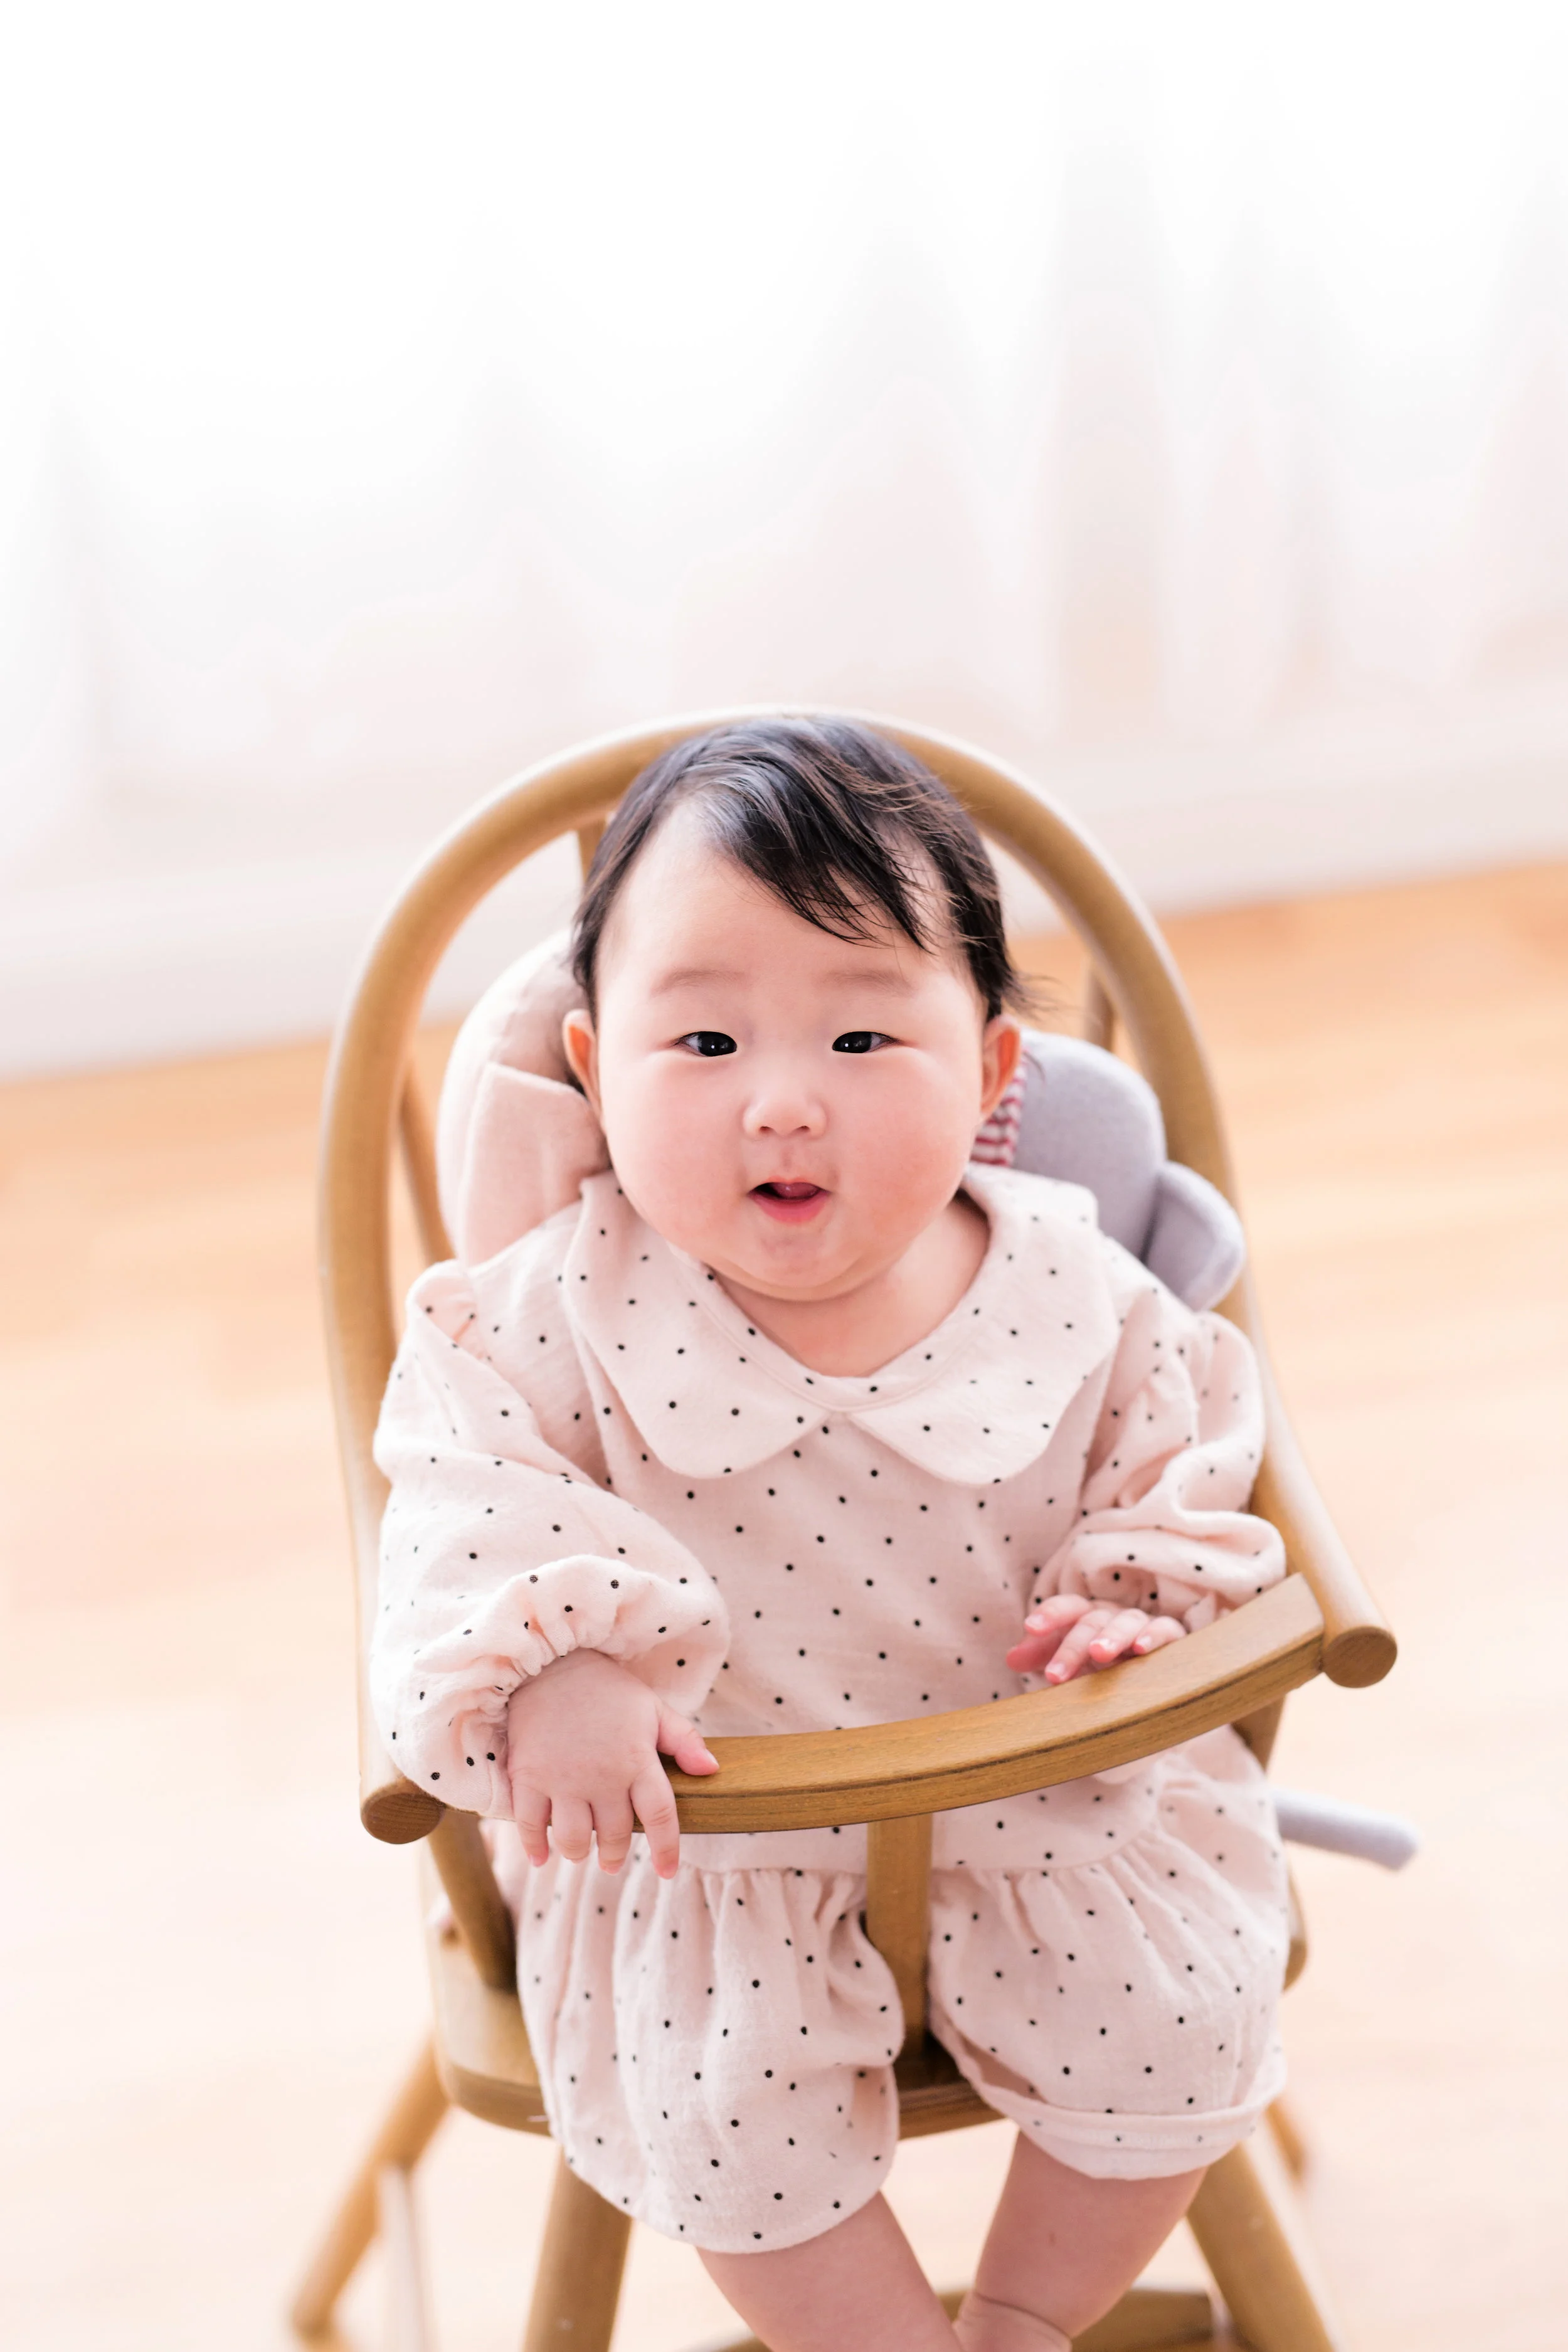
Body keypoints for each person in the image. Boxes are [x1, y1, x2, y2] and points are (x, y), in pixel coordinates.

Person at [371, 718, 1291, 2352]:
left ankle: (1023, 2319)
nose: (784, 1103)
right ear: (596, 1070)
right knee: (720, 2115)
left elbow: (1191, 1437)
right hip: (710, 1864)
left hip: (1053, 1807)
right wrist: (553, 1664)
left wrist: (1138, 1592)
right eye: (704, 1042)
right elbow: (459, 1492)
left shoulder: (1072, 1285)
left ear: (990, 1075)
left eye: (863, 1037)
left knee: (1182, 2017)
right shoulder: (548, 1314)